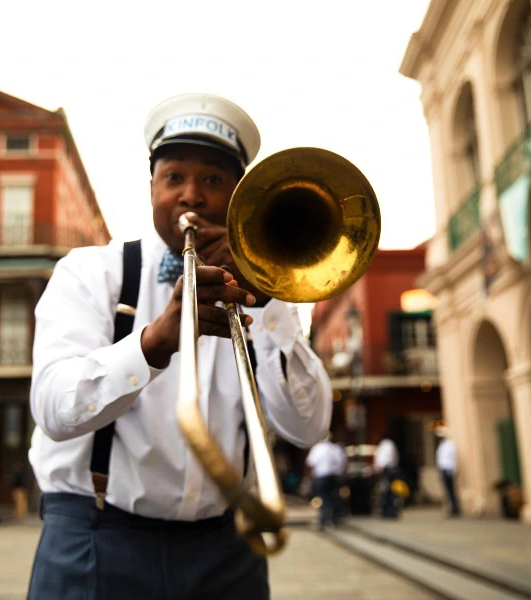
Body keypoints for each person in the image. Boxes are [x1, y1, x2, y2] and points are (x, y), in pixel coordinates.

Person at [27, 93, 332, 600]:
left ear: (240, 197)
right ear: (151, 189)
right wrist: (152, 343)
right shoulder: (89, 273)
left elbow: (308, 426)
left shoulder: (267, 303)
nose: (192, 195)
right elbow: (54, 410)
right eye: (174, 178)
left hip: (226, 551)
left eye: (213, 180)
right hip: (95, 537)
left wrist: (270, 300)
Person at [305, 434, 347, 528]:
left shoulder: (317, 448)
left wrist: (310, 476)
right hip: (333, 476)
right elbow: (341, 462)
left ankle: (324, 519)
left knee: (323, 497)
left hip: (321, 476)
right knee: (333, 497)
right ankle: (334, 518)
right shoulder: (334, 448)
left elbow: (310, 462)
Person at [373, 432, 400, 518]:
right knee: (386, 490)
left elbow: (385, 459)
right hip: (387, 469)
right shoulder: (386, 445)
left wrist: (379, 468)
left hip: (387, 470)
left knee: (388, 490)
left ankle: (389, 510)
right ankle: (387, 509)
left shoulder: (387, 445)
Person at [435, 426, 461, 517]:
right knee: (447, 491)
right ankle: (451, 507)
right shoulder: (442, 445)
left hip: (448, 469)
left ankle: (455, 508)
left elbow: (453, 458)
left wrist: (453, 470)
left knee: (451, 490)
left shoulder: (450, 444)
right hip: (443, 469)